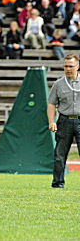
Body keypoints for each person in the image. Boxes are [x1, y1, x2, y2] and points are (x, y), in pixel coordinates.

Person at [47, 54, 80, 189]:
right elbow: (51, 104)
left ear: (78, 66)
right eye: (66, 66)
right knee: (60, 155)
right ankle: (58, 183)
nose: (68, 69)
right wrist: (51, 121)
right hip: (64, 121)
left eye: (71, 66)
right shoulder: (58, 84)